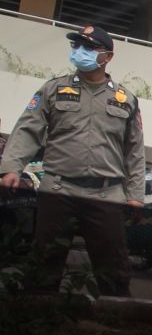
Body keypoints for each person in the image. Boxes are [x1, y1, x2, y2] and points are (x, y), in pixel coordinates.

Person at [0, 25, 143, 296]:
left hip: (106, 193)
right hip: (58, 188)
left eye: (88, 48)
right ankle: (37, 324)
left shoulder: (125, 99)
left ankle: (114, 325)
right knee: (44, 261)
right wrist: (10, 168)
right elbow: (28, 129)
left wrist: (135, 194)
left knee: (114, 267)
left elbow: (134, 150)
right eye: (76, 46)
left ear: (108, 57)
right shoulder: (53, 89)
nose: (80, 52)